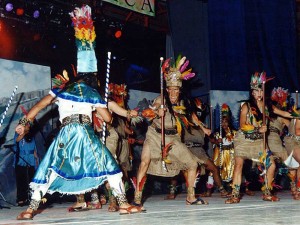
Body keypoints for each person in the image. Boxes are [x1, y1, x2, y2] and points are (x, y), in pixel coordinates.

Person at [14, 74, 142, 220]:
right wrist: (103, 113)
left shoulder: (60, 91)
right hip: (84, 135)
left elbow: (38, 106)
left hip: (65, 135)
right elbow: (107, 118)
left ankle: (30, 209)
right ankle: (124, 205)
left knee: (51, 169)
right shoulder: (92, 93)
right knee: (109, 165)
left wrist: (24, 124)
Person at [133, 56, 210, 209]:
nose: (174, 93)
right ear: (167, 90)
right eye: (172, 90)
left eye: (177, 90)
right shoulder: (161, 98)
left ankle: (190, 196)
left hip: (173, 139)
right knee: (144, 162)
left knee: (193, 164)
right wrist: (156, 112)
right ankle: (137, 199)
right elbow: (152, 109)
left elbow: (192, 116)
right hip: (155, 136)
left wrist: (203, 127)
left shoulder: (182, 103)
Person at [225, 72, 295, 204]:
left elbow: (285, 113)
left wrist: (296, 115)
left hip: (259, 141)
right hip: (243, 140)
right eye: (256, 91)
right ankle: (234, 195)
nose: (259, 93)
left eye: (261, 91)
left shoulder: (268, 106)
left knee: (271, 164)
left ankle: (267, 193)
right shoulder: (246, 106)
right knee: (239, 164)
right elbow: (242, 125)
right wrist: (258, 129)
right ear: (252, 92)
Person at [13, 129, 39, 206]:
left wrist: (36, 158)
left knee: (31, 178)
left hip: (31, 158)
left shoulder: (31, 134)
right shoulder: (18, 132)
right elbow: (17, 140)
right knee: (21, 179)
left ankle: (32, 198)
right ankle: (21, 199)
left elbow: (34, 147)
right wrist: (23, 132)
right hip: (21, 158)